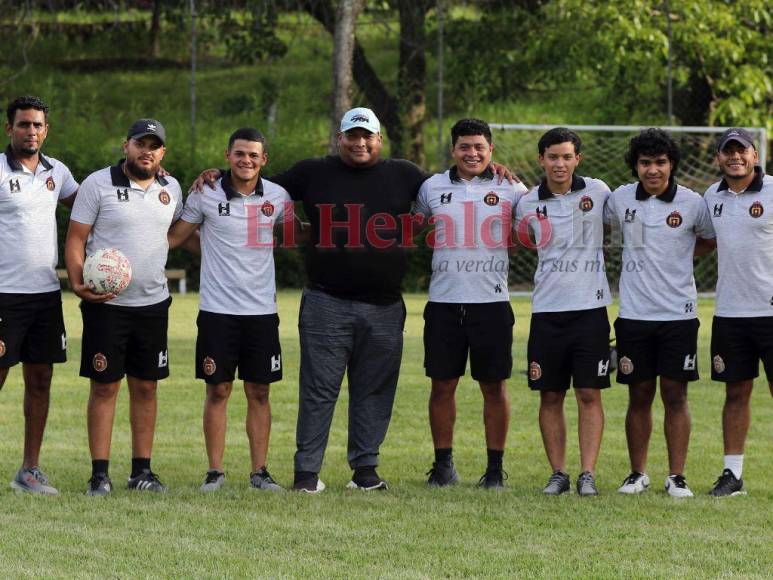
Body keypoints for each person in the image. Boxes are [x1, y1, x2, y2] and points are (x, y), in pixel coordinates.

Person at [193, 107, 514, 493]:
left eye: (368, 137)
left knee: (374, 390)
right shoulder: (311, 172)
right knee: (318, 391)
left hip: (384, 306)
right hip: (326, 301)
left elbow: (459, 184)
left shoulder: (408, 176)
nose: (360, 143)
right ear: (340, 138)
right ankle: (307, 473)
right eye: (352, 136)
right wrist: (214, 173)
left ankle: (365, 470)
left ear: (379, 139)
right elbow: (252, 180)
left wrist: (498, 170)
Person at [168, 128, 291, 492]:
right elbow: (175, 237)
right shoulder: (205, 191)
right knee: (218, 389)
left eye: (253, 155)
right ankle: (215, 472)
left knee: (259, 391)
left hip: (261, 312)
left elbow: (291, 237)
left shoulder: (279, 197)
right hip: (217, 311)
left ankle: (260, 472)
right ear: (227, 155)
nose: (246, 160)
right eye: (239, 153)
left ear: (264, 160)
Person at [65, 119, 183, 496]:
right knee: (104, 386)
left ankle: (141, 472)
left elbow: (173, 234)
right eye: (140, 143)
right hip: (107, 306)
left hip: (153, 303)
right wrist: (79, 283)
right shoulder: (97, 184)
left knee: (146, 386)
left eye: (155, 145)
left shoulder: (171, 187)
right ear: (125, 145)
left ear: (163, 152)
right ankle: (99, 474)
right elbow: (75, 239)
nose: (146, 151)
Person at [414, 119, 527, 489]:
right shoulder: (432, 186)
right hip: (444, 302)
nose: (472, 153)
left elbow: (537, 223)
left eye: (479, 147)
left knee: (493, 387)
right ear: (453, 150)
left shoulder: (511, 188)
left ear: (491, 150)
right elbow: (412, 226)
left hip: (491, 303)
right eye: (465, 146)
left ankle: (494, 469)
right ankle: (443, 465)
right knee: (442, 386)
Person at [606, 129, 715, 498]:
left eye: (660, 162)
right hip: (634, 314)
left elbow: (709, 238)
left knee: (675, 394)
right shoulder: (619, 198)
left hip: (678, 314)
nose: (653, 170)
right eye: (645, 163)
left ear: (672, 164)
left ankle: (676, 476)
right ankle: (637, 473)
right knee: (638, 395)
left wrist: (681, 256)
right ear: (635, 165)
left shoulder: (693, 202)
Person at [515, 127, 611, 496]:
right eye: (552, 156)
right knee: (550, 395)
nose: (559, 163)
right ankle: (558, 472)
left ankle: (587, 473)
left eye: (566, 156)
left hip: (590, 311)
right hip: (547, 312)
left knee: (589, 393)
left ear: (577, 160)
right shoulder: (525, 203)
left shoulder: (599, 192)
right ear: (541, 159)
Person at [0, 96, 78, 495]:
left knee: (41, 379)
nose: (31, 131)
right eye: (23, 124)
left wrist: (152, 176)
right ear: (9, 128)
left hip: (45, 294)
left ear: (46, 130)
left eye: (37, 125)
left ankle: (29, 470)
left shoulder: (57, 172)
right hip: (3, 295)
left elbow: (91, 207)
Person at [704, 128, 773, 497]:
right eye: (728, 151)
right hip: (730, 312)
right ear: (719, 158)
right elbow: (698, 238)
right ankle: (733, 475)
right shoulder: (711, 196)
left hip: (770, 311)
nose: (735, 157)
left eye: (742, 151)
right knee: (736, 393)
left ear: (754, 156)